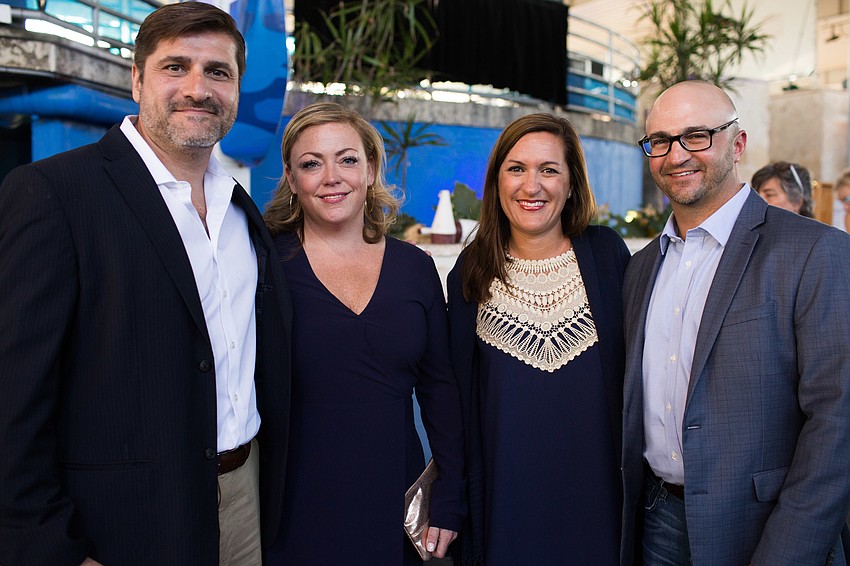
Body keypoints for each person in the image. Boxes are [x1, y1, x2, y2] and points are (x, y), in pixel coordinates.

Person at [0, 3, 291, 565]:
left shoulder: (241, 209)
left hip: (244, 499)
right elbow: (13, 393)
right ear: (136, 79)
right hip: (124, 518)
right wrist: (51, 549)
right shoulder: (54, 194)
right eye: (175, 67)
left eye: (218, 72)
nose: (197, 88)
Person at [622, 80, 850, 565]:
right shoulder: (641, 266)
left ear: (738, 143)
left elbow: (838, 423)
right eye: (660, 141)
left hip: (763, 528)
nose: (676, 154)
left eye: (697, 135)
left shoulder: (813, 251)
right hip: (656, 521)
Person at [262, 102, 465, 564]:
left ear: (371, 170)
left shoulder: (415, 268)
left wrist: (451, 494)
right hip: (294, 506)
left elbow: (440, 390)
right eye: (311, 164)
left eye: (347, 159)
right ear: (293, 180)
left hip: (396, 500)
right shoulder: (264, 265)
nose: (332, 176)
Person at [447, 113, 630, 565]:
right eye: (517, 168)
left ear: (571, 183)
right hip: (505, 507)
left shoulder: (609, 255)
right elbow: (453, 398)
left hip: (599, 505)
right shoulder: (470, 271)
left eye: (549, 169)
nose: (533, 186)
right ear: (496, 182)